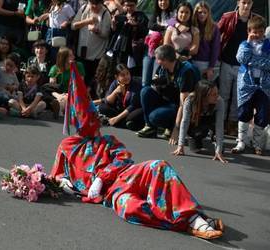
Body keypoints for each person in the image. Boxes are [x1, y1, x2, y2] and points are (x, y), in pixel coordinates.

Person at [50, 62, 224, 240]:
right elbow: (56, 176)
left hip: (128, 175)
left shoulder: (109, 141)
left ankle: (195, 219)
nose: (96, 122)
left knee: (159, 166)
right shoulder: (67, 145)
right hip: (113, 193)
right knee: (131, 208)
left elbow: (124, 159)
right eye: (90, 119)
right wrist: (62, 182)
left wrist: (101, 177)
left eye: (95, 117)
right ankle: (184, 222)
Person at [136, 44, 200, 141]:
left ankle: (170, 127)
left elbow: (184, 104)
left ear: (165, 59)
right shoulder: (162, 68)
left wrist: (176, 129)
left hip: (177, 105)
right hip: (166, 99)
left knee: (154, 117)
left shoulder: (185, 72)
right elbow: (155, 85)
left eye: (158, 59)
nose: (156, 61)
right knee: (145, 91)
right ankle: (150, 127)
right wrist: (158, 84)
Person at [217, 0, 259, 136]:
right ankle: (220, 122)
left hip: (244, 66)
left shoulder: (257, 20)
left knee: (237, 97)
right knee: (223, 95)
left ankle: (232, 124)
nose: (246, 6)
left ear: (252, 4)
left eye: (249, 3)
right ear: (238, 2)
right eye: (244, 2)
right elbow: (216, 35)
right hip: (227, 62)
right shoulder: (227, 17)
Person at [231, 16, 270, 155]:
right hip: (246, 84)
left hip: (264, 86)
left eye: (260, 31)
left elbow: (268, 63)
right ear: (249, 31)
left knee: (263, 114)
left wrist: (251, 62)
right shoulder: (244, 44)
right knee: (244, 111)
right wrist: (248, 42)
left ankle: (257, 144)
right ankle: (241, 142)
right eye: (254, 31)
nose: (257, 34)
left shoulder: (268, 44)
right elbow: (241, 58)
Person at [172, 80, 227, 163]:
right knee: (196, 149)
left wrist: (218, 150)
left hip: (210, 122)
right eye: (213, 94)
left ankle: (214, 138)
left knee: (221, 149)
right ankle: (195, 137)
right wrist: (180, 145)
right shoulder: (190, 100)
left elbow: (219, 125)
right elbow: (185, 122)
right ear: (204, 96)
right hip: (195, 123)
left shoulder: (219, 101)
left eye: (217, 93)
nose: (217, 96)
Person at [71, 0, 111, 88]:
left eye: (97, 4)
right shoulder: (84, 8)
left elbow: (106, 34)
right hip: (82, 52)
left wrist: (96, 31)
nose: (94, 6)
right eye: (92, 3)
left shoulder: (105, 13)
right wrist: (87, 21)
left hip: (97, 55)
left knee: (93, 82)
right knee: (81, 80)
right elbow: (73, 26)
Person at [98, 63, 143, 131]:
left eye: (127, 73)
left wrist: (117, 118)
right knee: (102, 107)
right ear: (117, 77)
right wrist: (115, 92)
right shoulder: (115, 83)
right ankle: (125, 124)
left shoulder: (136, 83)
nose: (126, 77)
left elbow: (133, 106)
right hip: (119, 110)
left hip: (131, 111)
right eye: (122, 75)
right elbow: (108, 101)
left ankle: (117, 122)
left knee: (135, 115)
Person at [109, 0, 148, 76]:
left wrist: (135, 25)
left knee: (129, 72)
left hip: (131, 51)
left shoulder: (141, 16)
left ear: (136, 5)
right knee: (116, 72)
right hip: (117, 48)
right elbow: (114, 31)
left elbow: (145, 32)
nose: (129, 8)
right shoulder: (122, 15)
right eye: (127, 5)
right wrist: (113, 24)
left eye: (131, 5)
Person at [142, 0, 174, 86]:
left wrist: (159, 27)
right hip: (150, 50)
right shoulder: (156, 13)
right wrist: (163, 27)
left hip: (162, 51)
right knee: (145, 81)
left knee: (155, 80)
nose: (163, 2)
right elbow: (150, 25)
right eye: (160, 0)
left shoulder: (173, 14)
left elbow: (170, 28)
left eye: (165, 0)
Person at [47, 47, 84, 116]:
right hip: (59, 93)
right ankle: (61, 108)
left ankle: (60, 108)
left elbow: (80, 85)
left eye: (73, 54)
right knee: (46, 89)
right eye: (70, 55)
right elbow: (51, 88)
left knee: (66, 99)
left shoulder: (78, 66)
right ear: (63, 57)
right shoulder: (54, 68)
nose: (74, 57)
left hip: (74, 92)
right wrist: (59, 95)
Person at [191, 1, 220, 81]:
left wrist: (211, 67)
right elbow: (171, 22)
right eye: (200, 12)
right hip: (190, 61)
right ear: (195, 13)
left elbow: (216, 49)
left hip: (206, 64)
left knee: (204, 90)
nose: (202, 14)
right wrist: (176, 24)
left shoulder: (214, 27)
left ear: (208, 14)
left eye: (205, 12)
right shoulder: (191, 24)